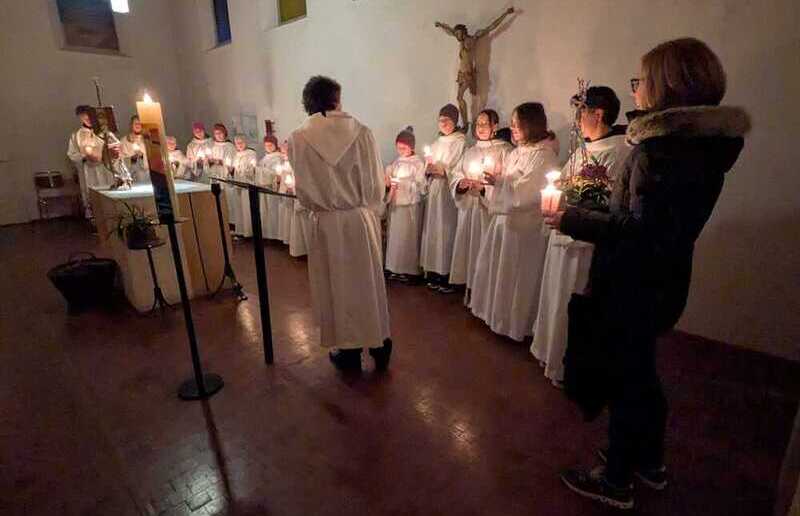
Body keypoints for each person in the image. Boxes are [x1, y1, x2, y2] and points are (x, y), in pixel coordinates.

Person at [552, 38, 750, 510]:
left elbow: (638, 230)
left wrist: (572, 217)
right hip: (663, 277)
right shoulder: (699, 146)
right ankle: (649, 461)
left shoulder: (665, 151)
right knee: (641, 373)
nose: (636, 89)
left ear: (666, 85)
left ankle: (616, 478)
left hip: (633, 281)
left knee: (625, 378)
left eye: (640, 80)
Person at [287, 76, 391, 370]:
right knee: (366, 283)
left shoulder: (298, 138)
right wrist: (370, 211)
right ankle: (380, 344)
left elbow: (303, 192)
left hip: (325, 222)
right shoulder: (362, 132)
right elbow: (374, 187)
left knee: (337, 287)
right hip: (359, 218)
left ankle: (348, 350)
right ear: (335, 100)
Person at [531, 86, 631, 388]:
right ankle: (549, 352)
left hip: (585, 244)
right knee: (554, 295)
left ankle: (567, 362)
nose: (577, 120)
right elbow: (564, 182)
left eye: (581, 112)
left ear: (598, 114)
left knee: (571, 301)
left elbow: (612, 202)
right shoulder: (583, 149)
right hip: (564, 232)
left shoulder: (619, 151)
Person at [469, 102, 558, 342]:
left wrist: (500, 182)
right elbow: (508, 183)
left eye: (517, 124)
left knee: (517, 274)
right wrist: (493, 183)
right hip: (504, 222)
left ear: (531, 125)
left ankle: (514, 323)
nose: (513, 127)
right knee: (499, 269)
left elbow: (527, 192)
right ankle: (495, 316)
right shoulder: (518, 152)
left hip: (524, 228)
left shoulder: (544, 156)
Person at [449, 109, 512, 299]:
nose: (481, 128)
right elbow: (457, 173)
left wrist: (485, 189)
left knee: (485, 251)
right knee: (470, 250)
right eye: (478, 124)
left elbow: (507, 182)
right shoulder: (471, 150)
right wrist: (461, 184)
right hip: (470, 209)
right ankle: (469, 288)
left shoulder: (505, 151)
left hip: (488, 211)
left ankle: (484, 294)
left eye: (485, 124)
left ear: (495, 126)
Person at [420, 104, 466, 294]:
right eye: (440, 120)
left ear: (455, 121)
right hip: (435, 190)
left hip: (448, 192)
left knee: (446, 230)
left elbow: (454, 166)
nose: (443, 123)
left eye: (447, 120)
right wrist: (428, 169)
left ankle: (446, 273)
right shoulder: (436, 143)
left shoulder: (459, 141)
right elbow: (428, 167)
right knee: (433, 229)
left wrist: (442, 169)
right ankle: (433, 271)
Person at [384, 127, 427, 281]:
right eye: (398, 148)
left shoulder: (418, 163)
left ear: (412, 146)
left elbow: (422, 184)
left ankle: (409, 269)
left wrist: (407, 184)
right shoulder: (396, 162)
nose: (401, 151)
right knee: (395, 235)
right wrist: (390, 184)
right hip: (397, 204)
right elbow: (389, 178)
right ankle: (393, 267)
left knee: (408, 236)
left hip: (410, 205)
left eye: (404, 147)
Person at [67, 105, 113, 218]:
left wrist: (108, 153)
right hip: (88, 171)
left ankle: (110, 216)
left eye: (89, 115)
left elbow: (114, 147)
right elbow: (71, 154)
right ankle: (93, 219)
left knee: (107, 192)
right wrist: (84, 157)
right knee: (91, 194)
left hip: (104, 169)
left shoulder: (104, 132)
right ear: (80, 117)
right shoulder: (76, 136)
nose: (87, 118)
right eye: (84, 116)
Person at [207, 123, 236, 231]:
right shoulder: (212, 146)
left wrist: (221, 162)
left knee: (228, 201)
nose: (218, 135)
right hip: (215, 177)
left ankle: (231, 225)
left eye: (220, 133)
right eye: (216, 133)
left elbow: (232, 163)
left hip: (226, 178)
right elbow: (207, 164)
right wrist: (209, 162)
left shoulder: (230, 146)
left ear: (225, 133)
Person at [257, 135, 284, 241]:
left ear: (275, 145)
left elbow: (277, 174)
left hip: (272, 188)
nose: (268, 147)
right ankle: (268, 234)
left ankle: (277, 235)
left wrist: (261, 171)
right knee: (265, 211)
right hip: (263, 187)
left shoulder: (279, 157)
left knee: (273, 211)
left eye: (270, 145)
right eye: (266, 145)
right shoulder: (264, 157)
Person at [231, 134, 257, 238]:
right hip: (238, 184)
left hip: (247, 184)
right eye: (237, 143)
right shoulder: (236, 154)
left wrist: (247, 171)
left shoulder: (251, 153)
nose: (239, 145)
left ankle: (250, 232)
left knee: (247, 208)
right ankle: (242, 231)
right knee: (239, 208)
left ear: (246, 142)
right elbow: (233, 170)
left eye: (241, 142)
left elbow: (253, 169)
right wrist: (231, 171)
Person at [119, 115, 149, 183]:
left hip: (147, 174)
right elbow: (120, 160)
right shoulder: (124, 141)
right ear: (131, 125)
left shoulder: (147, 140)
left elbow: (152, 158)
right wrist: (132, 159)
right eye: (136, 123)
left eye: (140, 124)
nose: (138, 126)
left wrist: (142, 156)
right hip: (132, 174)